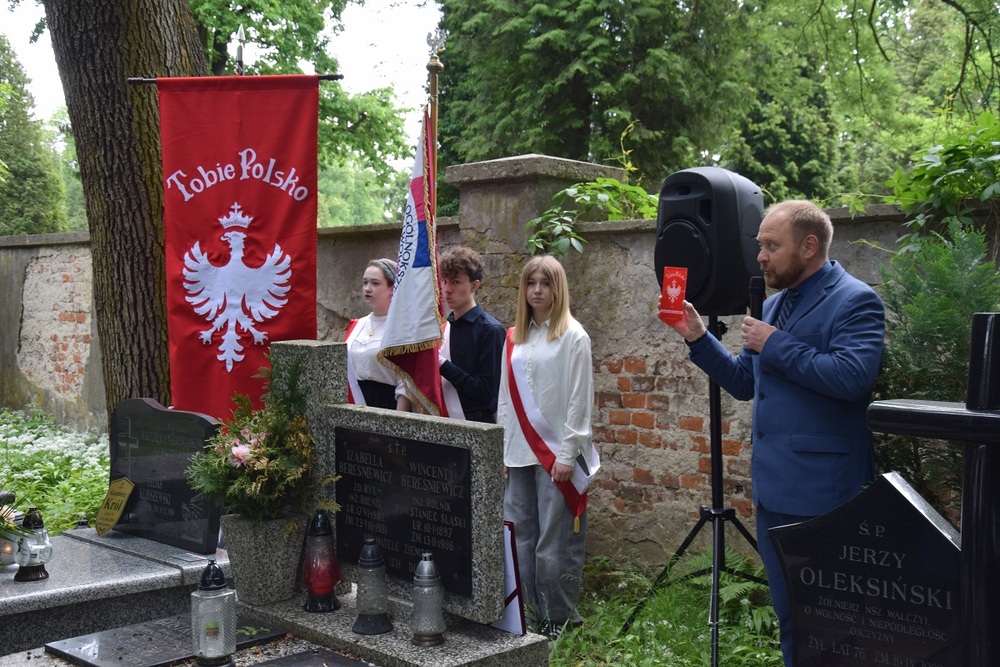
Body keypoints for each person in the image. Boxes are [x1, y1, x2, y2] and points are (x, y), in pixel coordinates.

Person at [666, 200, 885, 666]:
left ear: (809, 247)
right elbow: (746, 383)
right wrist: (697, 337)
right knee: (791, 618)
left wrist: (775, 343)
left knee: (835, 624)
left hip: (827, 495)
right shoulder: (775, 302)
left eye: (771, 245)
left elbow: (852, 379)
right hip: (773, 494)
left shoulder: (856, 299)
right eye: (760, 245)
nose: (761, 256)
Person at [497, 255, 599, 638]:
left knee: (552, 541)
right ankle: (522, 615)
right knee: (519, 536)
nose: (537, 290)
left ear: (559, 289)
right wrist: (503, 448)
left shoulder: (574, 336)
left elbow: (579, 399)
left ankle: (558, 617)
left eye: (545, 283)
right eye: (531, 283)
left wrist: (568, 453)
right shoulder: (513, 338)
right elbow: (505, 398)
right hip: (518, 452)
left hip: (557, 456)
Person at [438, 246, 506, 422]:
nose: (447, 289)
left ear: (474, 285)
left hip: (476, 425)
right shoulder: (443, 328)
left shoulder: (491, 330)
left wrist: (443, 365)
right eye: (444, 281)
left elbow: (487, 393)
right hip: (444, 422)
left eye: (456, 282)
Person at [345, 258, 410, 411]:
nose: (367, 288)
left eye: (375, 283)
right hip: (355, 402)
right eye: (365, 282)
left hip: (388, 404)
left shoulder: (403, 328)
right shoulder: (357, 325)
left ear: (392, 288)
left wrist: (397, 421)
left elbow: (406, 383)